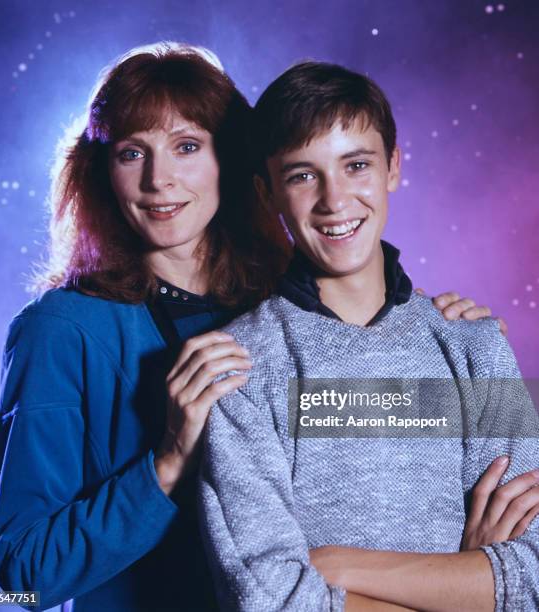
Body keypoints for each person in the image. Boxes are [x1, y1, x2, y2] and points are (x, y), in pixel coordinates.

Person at [0, 42, 512, 611]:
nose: (159, 179)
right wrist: (165, 465)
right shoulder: (61, 331)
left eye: (187, 146)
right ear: (101, 172)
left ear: (232, 164)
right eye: (131, 154)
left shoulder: (285, 306)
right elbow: (24, 578)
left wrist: (465, 578)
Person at [198, 61, 539, 611]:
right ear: (267, 193)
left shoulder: (475, 347)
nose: (334, 200)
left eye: (356, 165)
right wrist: (461, 586)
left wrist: (337, 565)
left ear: (393, 167)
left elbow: (535, 575)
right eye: (302, 174)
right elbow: (269, 598)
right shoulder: (241, 368)